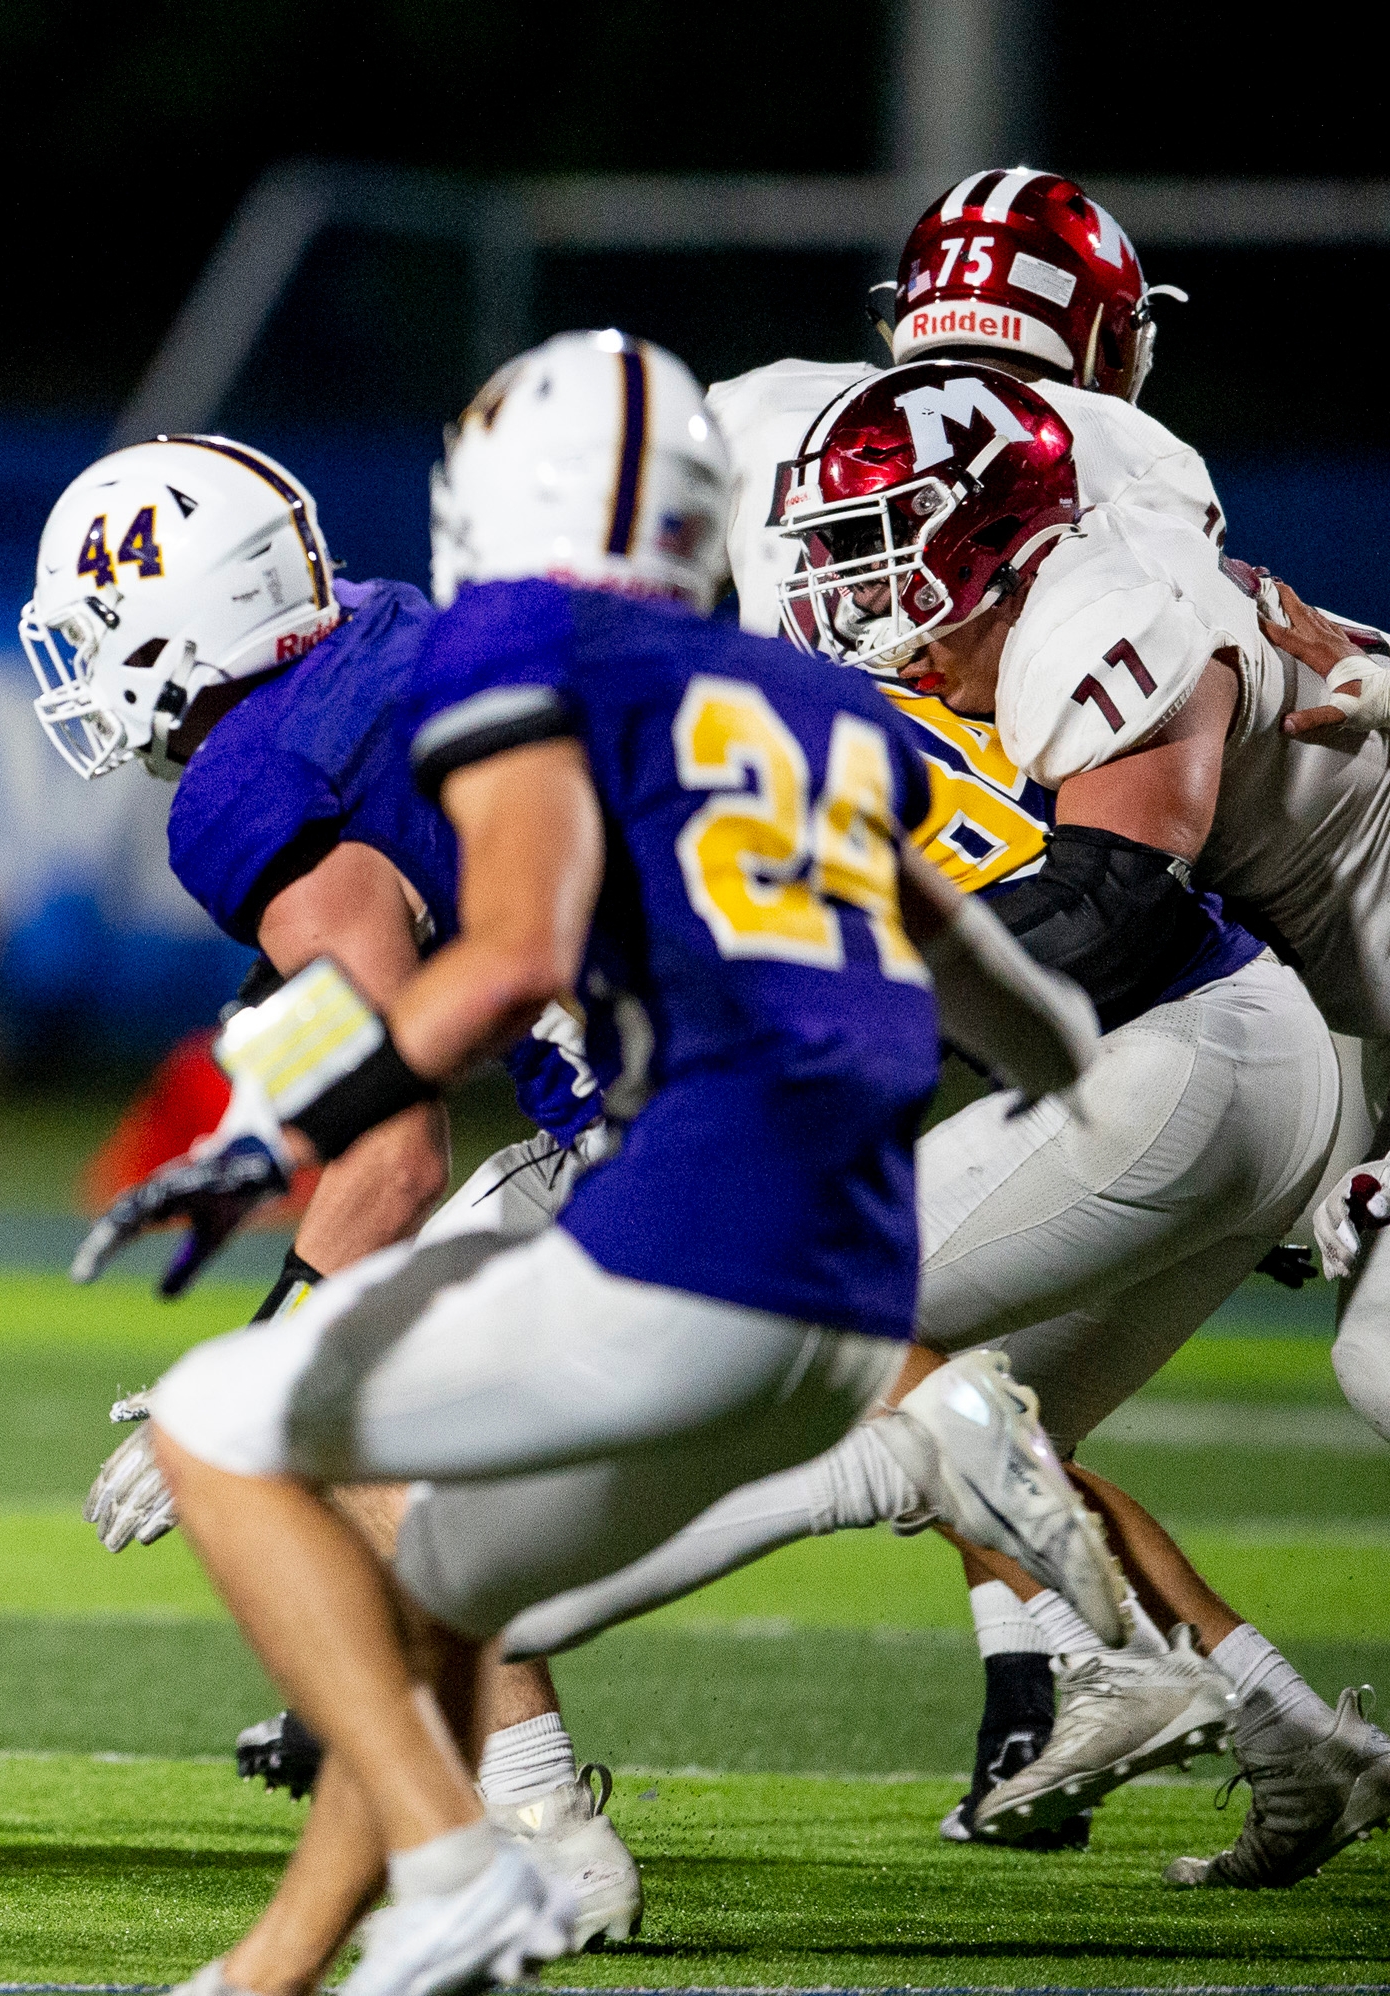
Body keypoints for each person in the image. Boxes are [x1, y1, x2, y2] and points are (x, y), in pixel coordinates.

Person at [113, 330, 1106, 1996]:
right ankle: (320, 1946)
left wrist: (259, 1144)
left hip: (685, 1231)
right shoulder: (778, 681)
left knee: (222, 1422)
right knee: (425, 1579)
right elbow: (973, 961)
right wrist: (1071, 1068)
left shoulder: (500, 649)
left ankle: (477, 1861)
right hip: (852, 1248)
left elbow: (480, 973)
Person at [586, 347, 1390, 1882]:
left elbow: (1112, 912)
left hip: (1235, 1044)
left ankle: (1099, 1675)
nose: (836, 590)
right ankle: (1283, 1729)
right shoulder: (981, 628)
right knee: (984, 1415)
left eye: (867, 549)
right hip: (1291, 1028)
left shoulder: (1096, 616)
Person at [18, 433, 639, 1978]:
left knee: (339, 1386)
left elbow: (389, 1156)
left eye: (101, 628)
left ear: (185, 624)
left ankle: (534, 1816)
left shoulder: (252, 779)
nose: (86, 671)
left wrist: (244, 1362)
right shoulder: (377, 633)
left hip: (685, 1118)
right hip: (794, 1038)